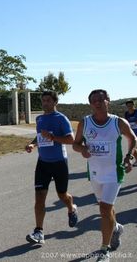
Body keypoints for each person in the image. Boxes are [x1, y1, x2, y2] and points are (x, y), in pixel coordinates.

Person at [73, 89, 136, 261]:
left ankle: (104, 249)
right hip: (95, 173)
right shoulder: (85, 123)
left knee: (104, 209)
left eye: (101, 99)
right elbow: (75, 144)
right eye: (93, 100)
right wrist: (83, 149)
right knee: (106, 209)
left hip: (114, 172)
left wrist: (129, 156)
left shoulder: (118, 122)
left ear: (108, 100)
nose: (97, 103)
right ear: (90, 103)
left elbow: (133, 138)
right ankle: (116, 228)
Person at [25, 91, 78, 245]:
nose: (45, 103)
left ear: (55, 102)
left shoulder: (61, 119)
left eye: (48, 100)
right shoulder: (40, 118)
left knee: (62, 195)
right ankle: (39, 232)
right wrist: (32, 144)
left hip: (59, 162)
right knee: (40, 198)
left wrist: (53, 137)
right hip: (43, 163)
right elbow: (40, 136)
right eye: (43, 100)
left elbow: (71, 139)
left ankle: (71, 208)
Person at [124, 100, 137, 166]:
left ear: (133, 105)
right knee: (132, 147)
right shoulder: (126, 113)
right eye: (128, 106)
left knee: (134, 147)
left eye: (131, 105)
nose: (129, 107)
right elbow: (126, 123)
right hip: (131, 132)